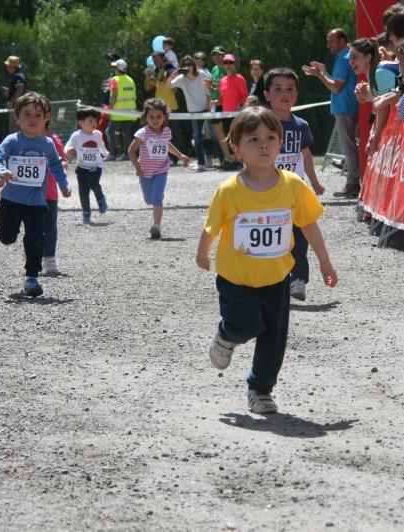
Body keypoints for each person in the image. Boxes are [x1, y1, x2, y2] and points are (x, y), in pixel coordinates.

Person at [195, 106, 338, 414]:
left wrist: (325, 262)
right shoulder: (229, 190)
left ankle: (260, 390)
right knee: (245, 324)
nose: (263, 144)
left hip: (276, 279)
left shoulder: (292, 185)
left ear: (281, 142)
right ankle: (225, 336)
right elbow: (212, 226)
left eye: (270, 137)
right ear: (236, 149)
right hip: (236, 279)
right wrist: (202, 252)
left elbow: (309, 224)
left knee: (274, 339)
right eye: (253, 139)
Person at [0, 92, 72, 298]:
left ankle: (32, 278)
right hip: (11, 201)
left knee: (35, 238)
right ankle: (6, 231)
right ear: (17, 118)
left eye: (37, 115)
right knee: (8, 238)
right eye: (27, 114)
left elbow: (55, 165)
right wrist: (2, 172)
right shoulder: (12, 140)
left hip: (36, 202)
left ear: (46, 118)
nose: (32, 119)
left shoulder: (47, 144)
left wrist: (63, 184)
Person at [263, 68, 326, 302]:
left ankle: (298, 278)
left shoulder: (301, 125)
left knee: (299, 236)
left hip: (295, 192)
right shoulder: (261, 124)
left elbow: (306, 154)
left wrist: (315, 182)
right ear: (267, 95)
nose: (284, 94)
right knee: (273, 235)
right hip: (267, 192)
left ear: (297, 95)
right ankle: (270, 280)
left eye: (289, 89)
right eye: (278, 89)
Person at [302, 28, 360, 198]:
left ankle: (353, 183)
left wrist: (319, 75)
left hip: (346, 108)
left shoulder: (344, 58)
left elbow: (335, 87)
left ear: (342, 41)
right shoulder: (345, 56)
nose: (328, 45)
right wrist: (324, 71)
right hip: (348, 107)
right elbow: (336, 83)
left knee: (348, 147)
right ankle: (354, 181)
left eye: (331, 41)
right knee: (349, 146)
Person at [127, 98, 190, 240]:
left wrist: (180, 155)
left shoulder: (166, 131)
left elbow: (167, 145)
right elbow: (131, 151)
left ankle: (156, 226)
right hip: (145, 171)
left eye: (159, 117)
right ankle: (156, 195)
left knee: (156, 199)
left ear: (165, 117)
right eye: (151, 117)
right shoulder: (142, 133)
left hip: (161, 169)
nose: (155, 120)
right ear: (146, 117)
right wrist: (137, 167)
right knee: (149, 199)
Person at [65, 106, 109, 225]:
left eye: (95, 120)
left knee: (93, 184)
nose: (94, 122)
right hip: (82, 167)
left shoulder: (97, 134)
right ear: (81, 122)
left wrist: (105, 154)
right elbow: (67, 146)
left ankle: (101, 199)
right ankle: (86, 214)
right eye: (90, 120)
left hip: (96, 166)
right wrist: (69, 150)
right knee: (83, 192)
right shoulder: (76, 135)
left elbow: (101, 146)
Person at [169, 55, 211, 171]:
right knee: (197, 137)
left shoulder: (202, 74)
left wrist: (209, 106)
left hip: (204, 110)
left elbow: (209, 91)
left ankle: (207, 159)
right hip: (193, 112)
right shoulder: (182, 78)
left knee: (204, 136)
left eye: (189, 64)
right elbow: (169, 86)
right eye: (185, 65)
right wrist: (174, 73)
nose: (187, 67)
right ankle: (202, 162)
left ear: (193, 65)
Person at [42, 112, 68, 277]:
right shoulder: (21, 140)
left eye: (39, 115)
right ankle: (32, 257)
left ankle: (50, 259)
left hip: (50, 194)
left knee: (50, 229)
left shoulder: (53, 140)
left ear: (47, 118)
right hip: (27, 196)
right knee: (32, 228)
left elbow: (64, 160)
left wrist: (62, 164)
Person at [106, 58, 137, 161]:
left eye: (115, 67)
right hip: (130, 112)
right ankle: (127, 155)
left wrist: (109, 110)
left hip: (118, 113)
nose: (113, 69)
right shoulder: (131, 80)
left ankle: (113, 154)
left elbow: (114, 96)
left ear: (118, 69)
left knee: (109, 132)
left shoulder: (115, 80)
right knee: (126, 133)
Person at [217, 54, 249, 143]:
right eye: (225, 63)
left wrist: (240, 106)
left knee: (239, 141)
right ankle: (233, 157)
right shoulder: (222, 80)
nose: (228, 65)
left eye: (230, 62)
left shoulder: (239, 78)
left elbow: (246, 96)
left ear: (234, 64)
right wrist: (214, 102)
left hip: (238, 115)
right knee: (229, 142)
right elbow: (221, 99)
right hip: (225, 116)